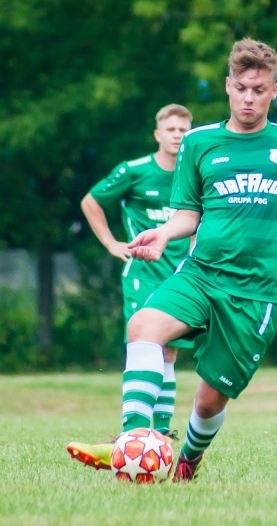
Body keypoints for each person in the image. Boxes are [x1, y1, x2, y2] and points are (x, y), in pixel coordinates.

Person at [93, 37, 277, 483]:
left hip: (259, 289)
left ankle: (188, 459)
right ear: (228, 86)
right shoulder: (199, 143)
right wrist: (164, 234)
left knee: (208, 401)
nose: (249, 98)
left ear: (274, 91)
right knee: (142, 327)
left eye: (259, 90)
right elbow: (188, 214)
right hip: (201, 273)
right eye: (241, 88)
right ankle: (133, 440)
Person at [67, 104, 194, 469]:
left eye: (183, 129)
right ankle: (133, 434)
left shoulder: (193, 174)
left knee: (169, 354)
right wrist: (110, 242)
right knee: (145, 346)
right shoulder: (134, 171)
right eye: (170, 129)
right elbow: (91, 201)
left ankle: (162, 434)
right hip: (142, 273)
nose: (176, 135)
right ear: (157, 134)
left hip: (179, 274)